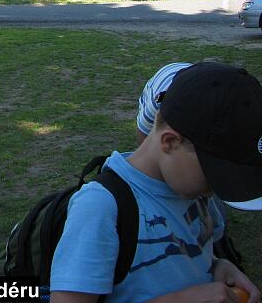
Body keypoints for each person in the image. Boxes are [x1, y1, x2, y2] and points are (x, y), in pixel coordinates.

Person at [50, 62, 262, 303]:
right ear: (170, 142)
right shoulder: (101, 206)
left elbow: (185, 254)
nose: (215, 189)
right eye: (215, 174)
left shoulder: (192, 191)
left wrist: (217, 266)